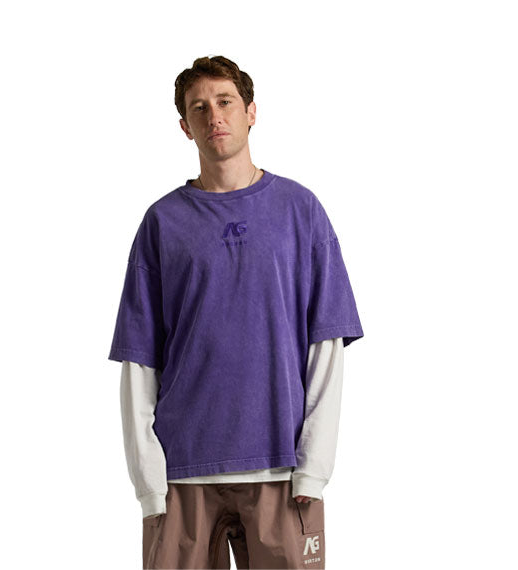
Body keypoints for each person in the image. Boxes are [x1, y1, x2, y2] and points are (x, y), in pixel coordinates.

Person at [108, 55, 364, 569]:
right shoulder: (162, 222)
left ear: (251, 112)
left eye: (225, 102)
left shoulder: (301, 212)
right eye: (198, 108)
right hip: (182, 473)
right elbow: (139, 358)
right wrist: (149, 484)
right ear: (185, 126)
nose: (214, 116)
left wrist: (314, 467)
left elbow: (326, 345)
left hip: (281, 471)